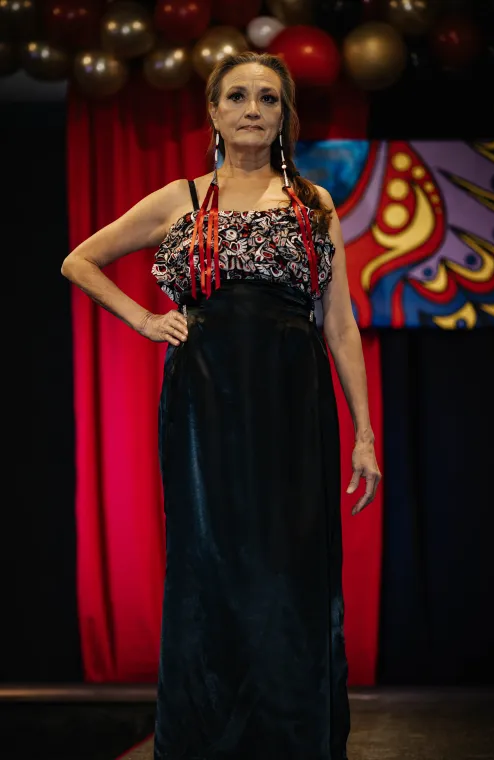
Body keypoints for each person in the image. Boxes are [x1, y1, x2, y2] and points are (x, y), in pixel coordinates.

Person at [62, 51, 381, 760]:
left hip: (293, 401)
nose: (251, 110)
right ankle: (208, 739)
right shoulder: (180, 197)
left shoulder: (314, 204)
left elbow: (338, 325)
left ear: (282, 117)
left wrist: (363, 432)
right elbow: (78, 259)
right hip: (204, 402)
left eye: (267, 99)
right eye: (236, 96)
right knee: (210, 562)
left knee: (292, 567)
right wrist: (144, 321)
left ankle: (292, 736)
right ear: (211, 111)